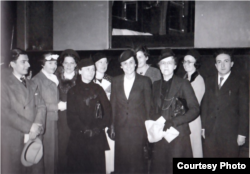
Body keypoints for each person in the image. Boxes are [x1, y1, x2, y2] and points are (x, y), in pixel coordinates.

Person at [151, 48, 199, 174]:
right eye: (163, 63)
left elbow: (195, 109)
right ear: (159, 66)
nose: (166, 66)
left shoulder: (183, 84)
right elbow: (152, 108)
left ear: (175, 66)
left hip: (178, 136)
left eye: (169, 63)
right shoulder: (155, 85)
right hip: (160, 136)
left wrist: (174, 121)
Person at [0, 48, 46, 174]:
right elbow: (4, 112)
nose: (28, 65)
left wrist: (37, 126)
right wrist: (29, 127)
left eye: (28, 61)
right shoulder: (3, 84)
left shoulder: (32, 84)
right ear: (13, 64)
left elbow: (41, 106)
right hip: (14, 137)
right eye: (23, 62)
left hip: (33, 137)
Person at [110, 49, 152, 174]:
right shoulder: (115, 81)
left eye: (130, 62)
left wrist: (148, 130)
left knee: (138, 163)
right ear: (121, 66)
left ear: (135, 63)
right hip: (121, 128)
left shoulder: (145, 81)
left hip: (139, 129)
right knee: (122, 162)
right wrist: (111, 126)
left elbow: (149, 107)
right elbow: (113, 105)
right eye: (125, 63)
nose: (128, 66)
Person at [67, 58, 111, 174]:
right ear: (80, 71)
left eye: (93, 69)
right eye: (87, 70)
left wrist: (97, 128)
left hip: (97, 138)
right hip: (79, 139)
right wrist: (84, 129)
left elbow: (107, 111)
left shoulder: (99, 89)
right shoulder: (72, 91)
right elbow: (71, 117)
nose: (91, 72)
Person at [201, 49, 249, 157]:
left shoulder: (240, 82)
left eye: (226, 61)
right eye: (219, 62)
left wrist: (242, 133)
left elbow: (244, 110)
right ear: (215, 65)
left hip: (231, 134)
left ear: (231, 64)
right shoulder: (208, 81)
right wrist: (203, 127)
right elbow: (205, 105)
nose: (222, 65)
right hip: (210, 132)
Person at [32, 53, 65, 174]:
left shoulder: (53, 77)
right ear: (42, 64)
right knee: (47, 156)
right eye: (50, 63)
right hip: (45, 121)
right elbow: (36, 104)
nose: (54, 66)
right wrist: (57, 106)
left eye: (55, 63)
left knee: (54, 154)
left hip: (54, 119)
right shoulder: (36, 80)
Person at [55, 49, 80, 174]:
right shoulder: (55, 79)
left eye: (72, 63)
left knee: (77, 152)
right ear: (62, 64)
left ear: (76, 64)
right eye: (66, 63)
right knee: (63, 150)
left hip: (78, 120)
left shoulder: (81, 78)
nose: (69, 66)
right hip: (62, 120)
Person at [92, 52, 114, 174]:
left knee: (109, 152)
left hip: (107, 120)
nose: (103, 65)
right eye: (100, 62)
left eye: (105, 62)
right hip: (93, 122)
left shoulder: (112, 80)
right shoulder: (88, 80)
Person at [182, 49, 205, 158]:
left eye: (189, 62)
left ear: (196, 64)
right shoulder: (184, 78)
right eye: (184, 61)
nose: (186, 64)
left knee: (194, 150)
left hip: (193, 120)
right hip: (184, 118)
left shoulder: (198, 80)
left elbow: (193, 103)